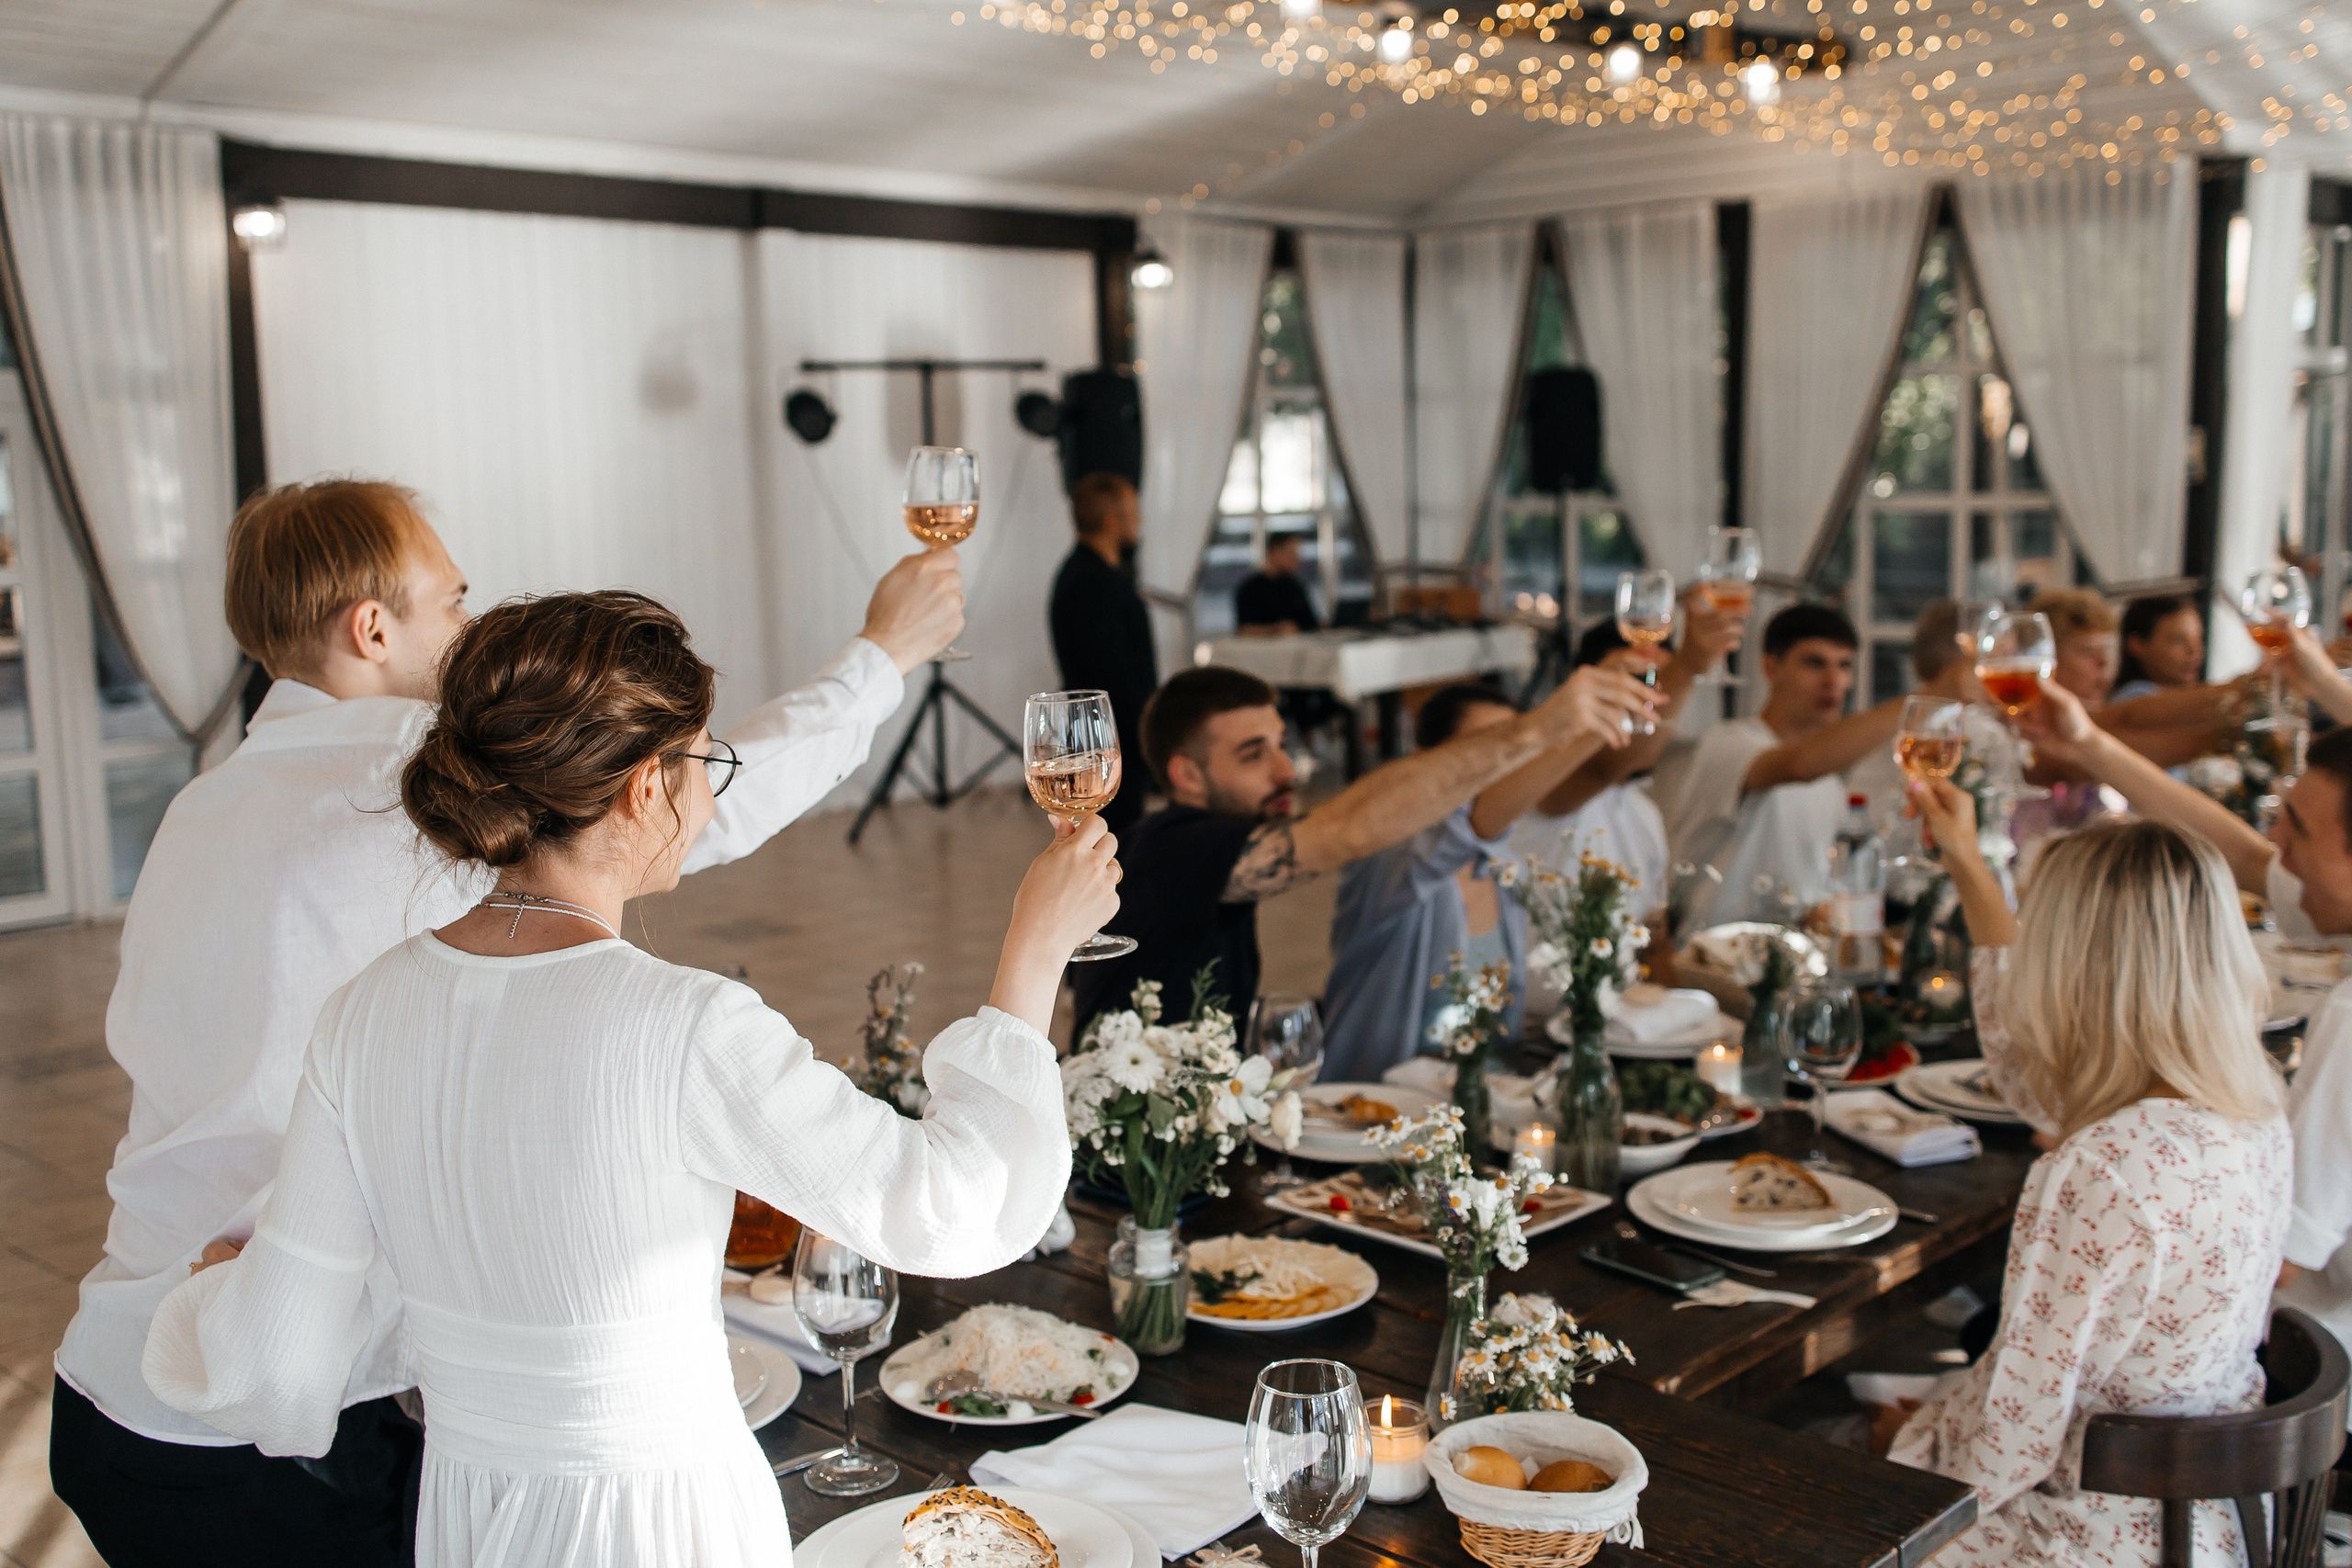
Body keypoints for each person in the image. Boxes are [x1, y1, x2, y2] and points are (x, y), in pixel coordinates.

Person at [48, 479, 965, 1567]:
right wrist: (879, 655)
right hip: (289, 1425)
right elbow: (686, 805)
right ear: (372, 628)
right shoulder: (402, 792)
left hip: (114, 1376)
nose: (471, 626)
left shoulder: (200, 807)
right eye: (454, 598)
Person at [1883, 789, 2290, 1563]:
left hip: (2083, 1536)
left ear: (2077, 970)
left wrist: (1914, 1445)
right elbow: (2026, 1064)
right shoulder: (2256, 1111)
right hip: (2212, 1524)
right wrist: (1969, 859)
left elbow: (2011, 1435)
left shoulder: (2099, 1168)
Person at [1990, 644, 2352, 1427]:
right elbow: (2246, 859)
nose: (2277, 848)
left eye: (2297, 828)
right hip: (2242, 1399)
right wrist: (2089, 746)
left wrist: (2118, 1170)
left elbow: (2279, 1260)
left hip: (2285, 1392)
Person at [1068, 660, 1655, 1039]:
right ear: (1186, 776)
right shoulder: (1173, 848)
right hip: (1123, 1159)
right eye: (1253, 754)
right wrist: (1535, 729)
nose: (1285, 770)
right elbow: (1347, 829)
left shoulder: (1205, 846)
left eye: (1282, 745)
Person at [1655, 603, 1961, 929]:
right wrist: (1936, 695)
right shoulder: (1729, 743)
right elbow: (1799, 765)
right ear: (1771, 667)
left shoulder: (1830, 786)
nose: (1833, 680)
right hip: (1707, 960)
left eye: (1844, 666)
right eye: (1815, 663)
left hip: (1789, 962)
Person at [1048, 471, 1157, 833]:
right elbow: (1112, 674)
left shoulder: (1095, 574)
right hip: (1105, 744)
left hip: (1105, 738)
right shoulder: (1092, 584)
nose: (1140, 523)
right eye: (1134, 514)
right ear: (1113, 521)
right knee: (1116, 840)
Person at [2111, 592, 2204, 700]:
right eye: (2178, 640)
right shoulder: (2133, 699)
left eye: (2199, 639)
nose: (2194, 650)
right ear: (2137, 644)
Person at [1233, 531, 1319, 636]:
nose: (1297, 559)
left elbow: (1311, 625)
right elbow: (1244, 630)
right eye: (1291, 553)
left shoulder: (1296, 587)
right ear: (1274, 552)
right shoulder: (1250, 589)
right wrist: (1277, 629)